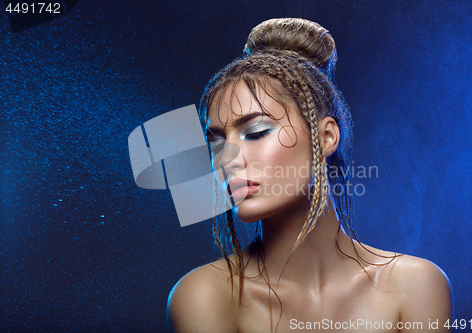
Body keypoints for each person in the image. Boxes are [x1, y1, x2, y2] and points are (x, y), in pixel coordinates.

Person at [167, 18, 452, 332]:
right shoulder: (205, 295)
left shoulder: (414, 285)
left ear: (326, 137)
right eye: (217, 141)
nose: (227, 160)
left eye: (256, 132)